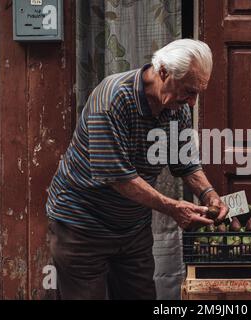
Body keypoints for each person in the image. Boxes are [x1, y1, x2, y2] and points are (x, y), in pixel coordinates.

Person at [45, 39, 228, 300]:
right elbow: (119, 179)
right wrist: (174, 208)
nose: (192, 102)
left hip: (132, 230)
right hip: (82, 227)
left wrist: (209, 194)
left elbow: (185, 162)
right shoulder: (112, 99)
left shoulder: (176, 108)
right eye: (189, 91)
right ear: (163, 71)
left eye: (198, 93)